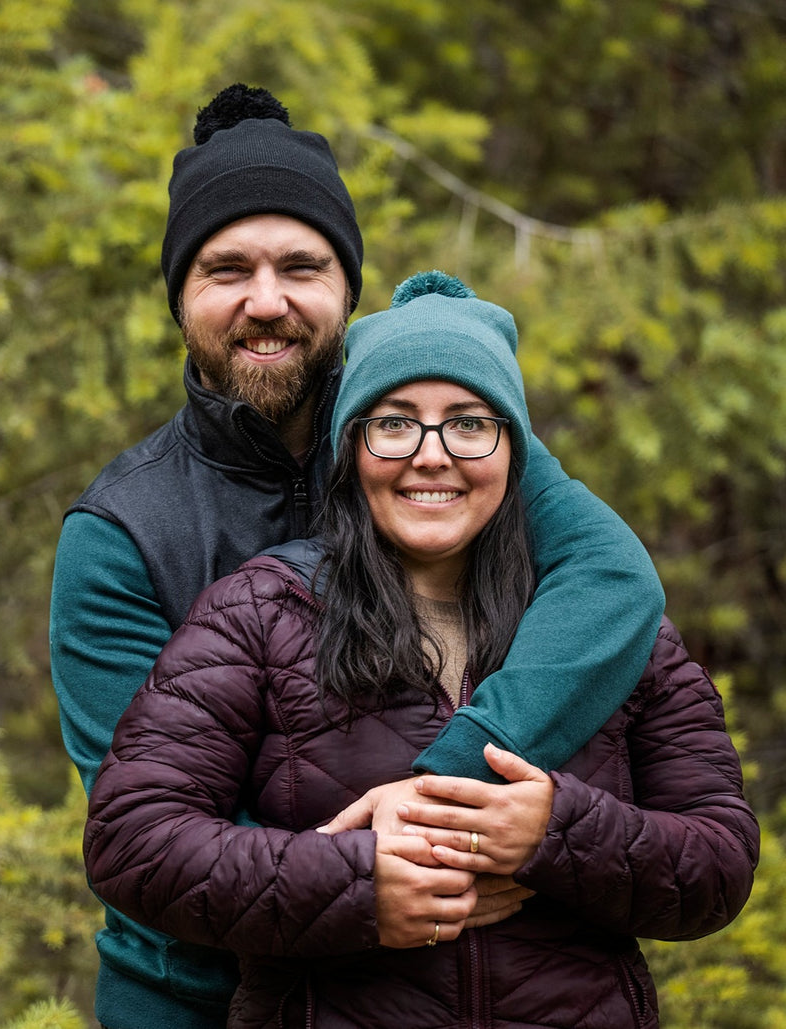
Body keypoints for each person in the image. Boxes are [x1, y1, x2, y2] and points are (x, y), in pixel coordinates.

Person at [50, 85, 665, 1029]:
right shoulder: (123, 529)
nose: (266, 301)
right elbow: (143, 825)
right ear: (180, 295)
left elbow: (615, 576)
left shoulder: (439, 431)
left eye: (301, 265)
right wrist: (367, 877)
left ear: (347, 289)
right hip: (191, 998)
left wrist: (438, 796)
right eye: (226, 269)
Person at [83, 271, 758, 1029]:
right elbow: (132, 839)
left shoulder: (613, 635)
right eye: (395, 422)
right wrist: (357, 883)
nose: (431, 454)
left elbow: (720, 861)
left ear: (515, 451)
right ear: (352, 448)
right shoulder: (263, 614)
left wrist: (556, 830)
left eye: (469, 422)